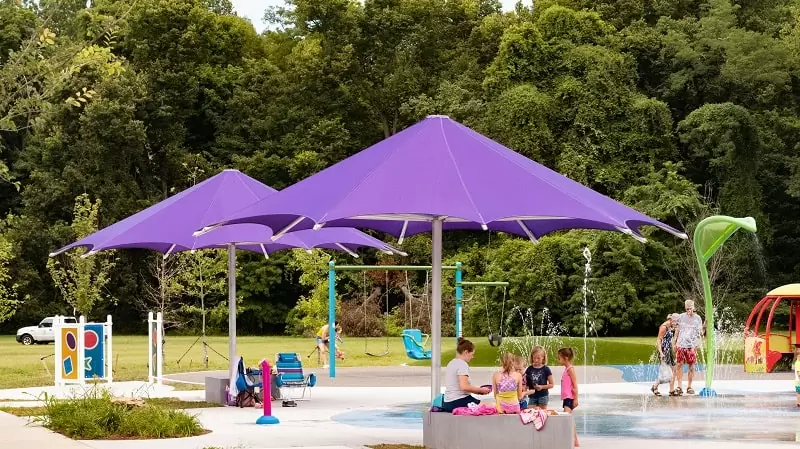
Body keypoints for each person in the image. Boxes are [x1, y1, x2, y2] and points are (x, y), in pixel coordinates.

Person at [442, 338, 492, 412]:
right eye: (472, 354)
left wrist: (479, 392)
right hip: (458, 401)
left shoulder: (451, 363)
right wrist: (481, 390)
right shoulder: (462, 364)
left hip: (447, 402)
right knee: (492, 407)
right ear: (466, 352)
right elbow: (464, 387)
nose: (472, 357)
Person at [674, 300, 704, 395]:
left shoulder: (697, 318)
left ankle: (689, 386)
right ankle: (679, 386)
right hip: (681, 345)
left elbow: (700, 333)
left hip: (691, 345)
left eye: (690, 309)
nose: (688, 311)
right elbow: (677, 330)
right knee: (679, 364)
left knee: (691, 366)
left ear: (693, 308)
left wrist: (698, 343)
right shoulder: (681, 317)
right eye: (687, 309)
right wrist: (674, 342)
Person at [651, 313, 679, 397]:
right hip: (664, 351)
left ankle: (671, 390)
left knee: (674, 369)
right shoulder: (664, 327)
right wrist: (661, 352)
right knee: (666, 372)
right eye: (676, 322)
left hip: (669, 350)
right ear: (671, 320)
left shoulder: (670, 326)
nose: (677, 324)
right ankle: (655, 387)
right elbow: (659, 340)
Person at [558, 347, 579, 447]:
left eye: (559, 358)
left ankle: (573, 439)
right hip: (567, 398)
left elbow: (575, 384)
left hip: (570, 398)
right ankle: (574, 440)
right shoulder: (566, 369)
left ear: (565, 358)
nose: (558, 360)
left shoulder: (570, 369)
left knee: (567, 419)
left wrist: (576, 398)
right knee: (568, 418)